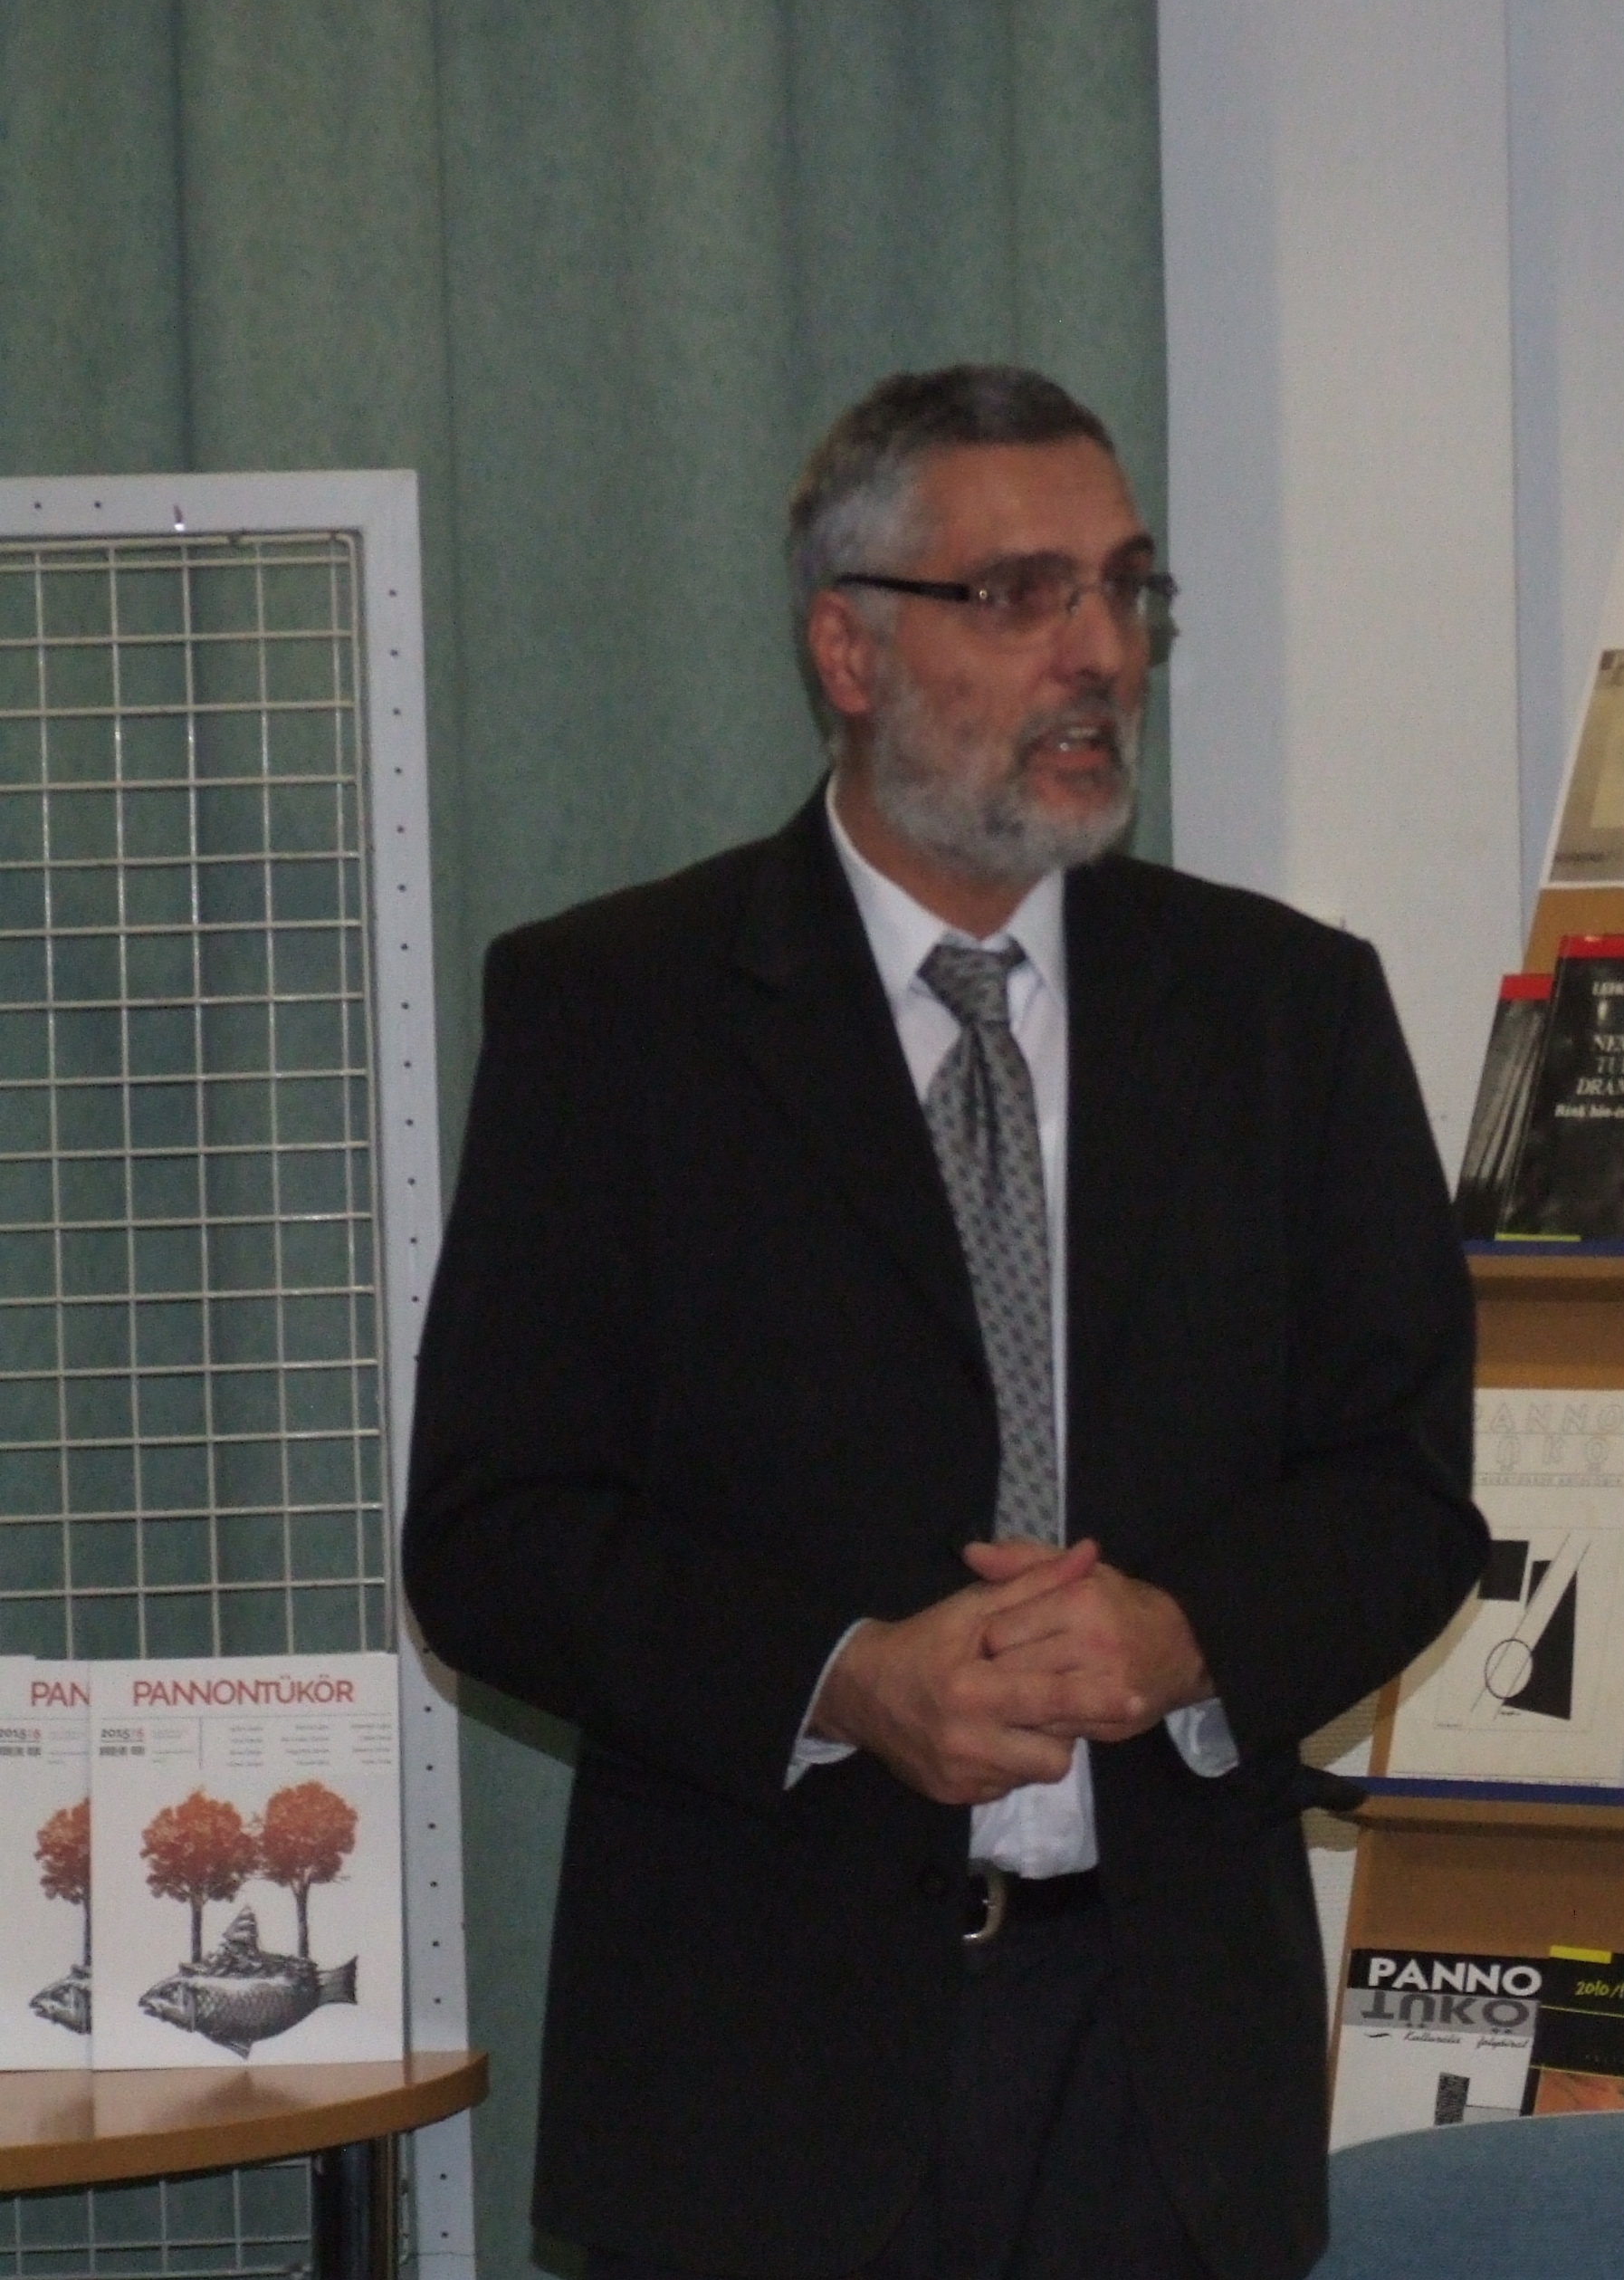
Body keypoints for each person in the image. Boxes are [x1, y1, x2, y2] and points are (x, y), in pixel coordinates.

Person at [403, 365, 1484, 2280]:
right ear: (847, 647)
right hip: (758, 2076)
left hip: (1162, 2074)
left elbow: (1402, 1492)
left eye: (1125, 590)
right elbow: (493, 1535)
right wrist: (838, 1678)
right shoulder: (619, 1012)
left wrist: (1184, 1633)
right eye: (1017, 596)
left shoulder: (1282, 1012)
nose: (1098, 654)